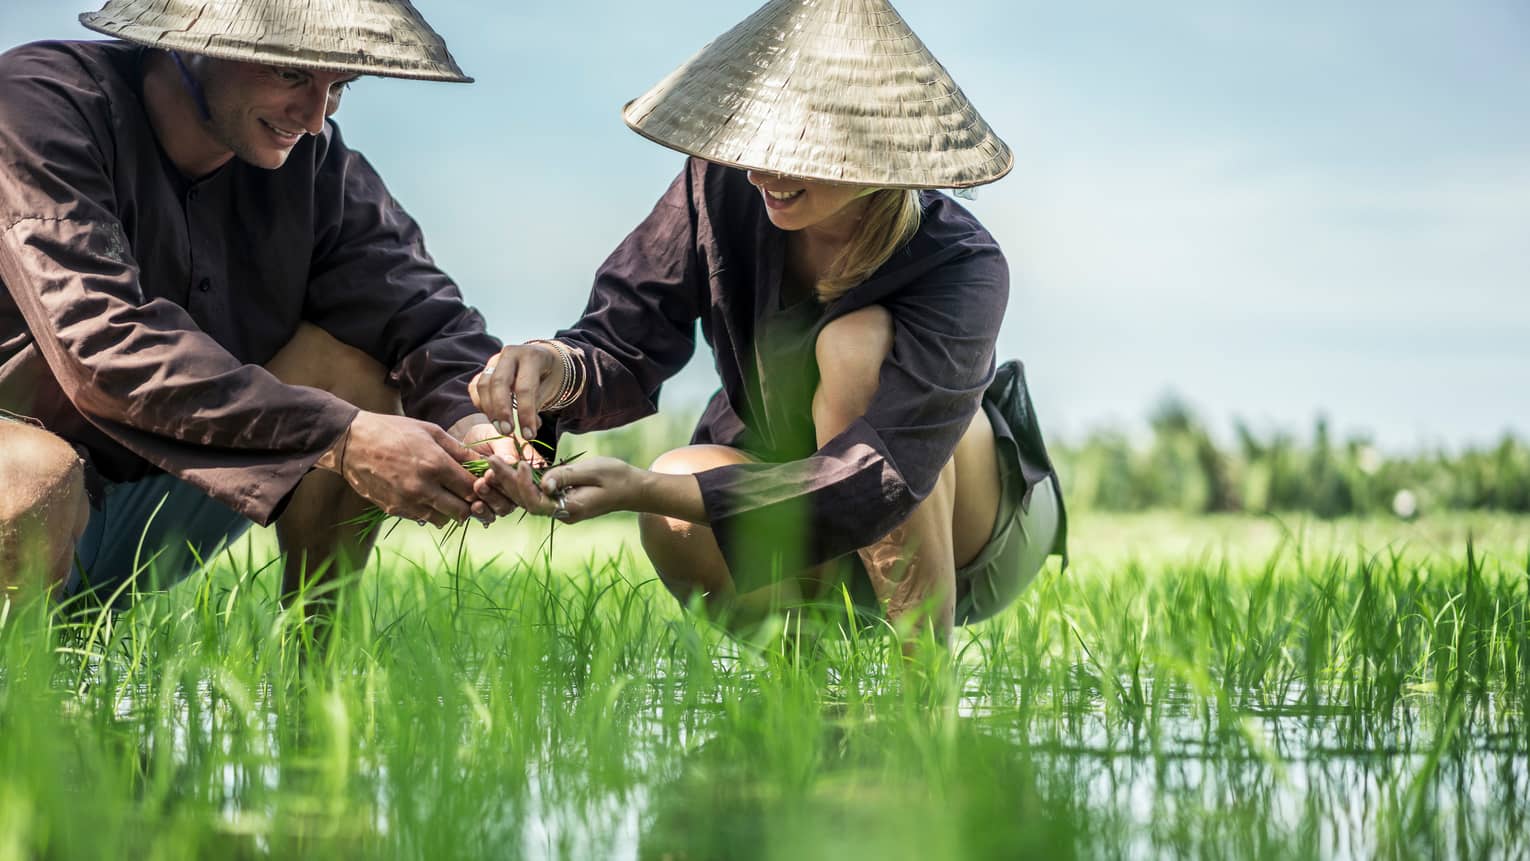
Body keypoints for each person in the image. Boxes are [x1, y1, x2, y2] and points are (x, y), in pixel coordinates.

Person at [471, 0, 1067, 646]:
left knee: (852, 347)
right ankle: (810, 694)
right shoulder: (722, 188)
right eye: (754, 139)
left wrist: (639, 488)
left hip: (970, 534)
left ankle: (921, 687)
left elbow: (881, 475)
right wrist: (552, 370)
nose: (760, 170)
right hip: (799, 506)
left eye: (794, 148)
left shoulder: (962, 264)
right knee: (676, 484)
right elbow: (623, 336)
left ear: (876, 149)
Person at [0, 0, 518, 607]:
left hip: (168, 488)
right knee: (33, 474)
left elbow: (417, 308)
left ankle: (319, 683)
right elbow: (103, 346)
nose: (315, 116)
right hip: (25, 494)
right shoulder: (38, 106)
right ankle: (26, 687)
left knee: (357, 369)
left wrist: (477, 424)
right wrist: (342, 439)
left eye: (340, 85)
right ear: (193, 39)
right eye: (291, 73)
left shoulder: (314, 164)